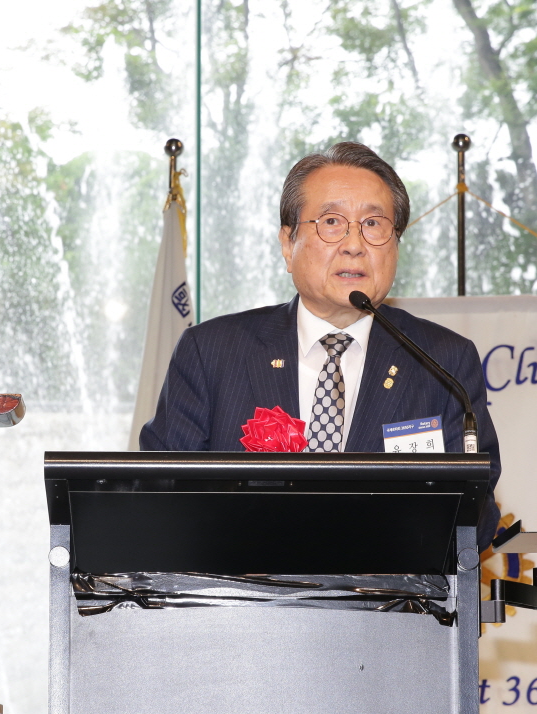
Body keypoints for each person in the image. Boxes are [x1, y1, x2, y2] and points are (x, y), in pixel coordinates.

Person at [139, 141, 501, 543]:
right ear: (287, 243)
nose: (354, 244)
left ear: (396, 244)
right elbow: (159, 499)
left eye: (373, 224)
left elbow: (477, 523)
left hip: (390, 582)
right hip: (245, 582)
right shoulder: (211, 352)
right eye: (331, 222)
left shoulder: (443, 361)